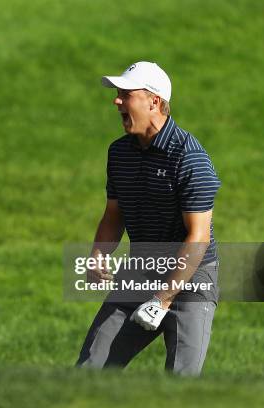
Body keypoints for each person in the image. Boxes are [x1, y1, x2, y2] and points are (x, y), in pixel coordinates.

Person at [75, 61, 221, 376]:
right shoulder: (119, 153)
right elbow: (114, 214)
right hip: (141, 271)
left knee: (179, 385)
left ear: (153, 101)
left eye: (126, 94)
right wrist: (99, 253)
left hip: (192, 280)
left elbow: (198, 237)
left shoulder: (190, 158)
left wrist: (162, 299)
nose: (116, 100)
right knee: (89, 371)